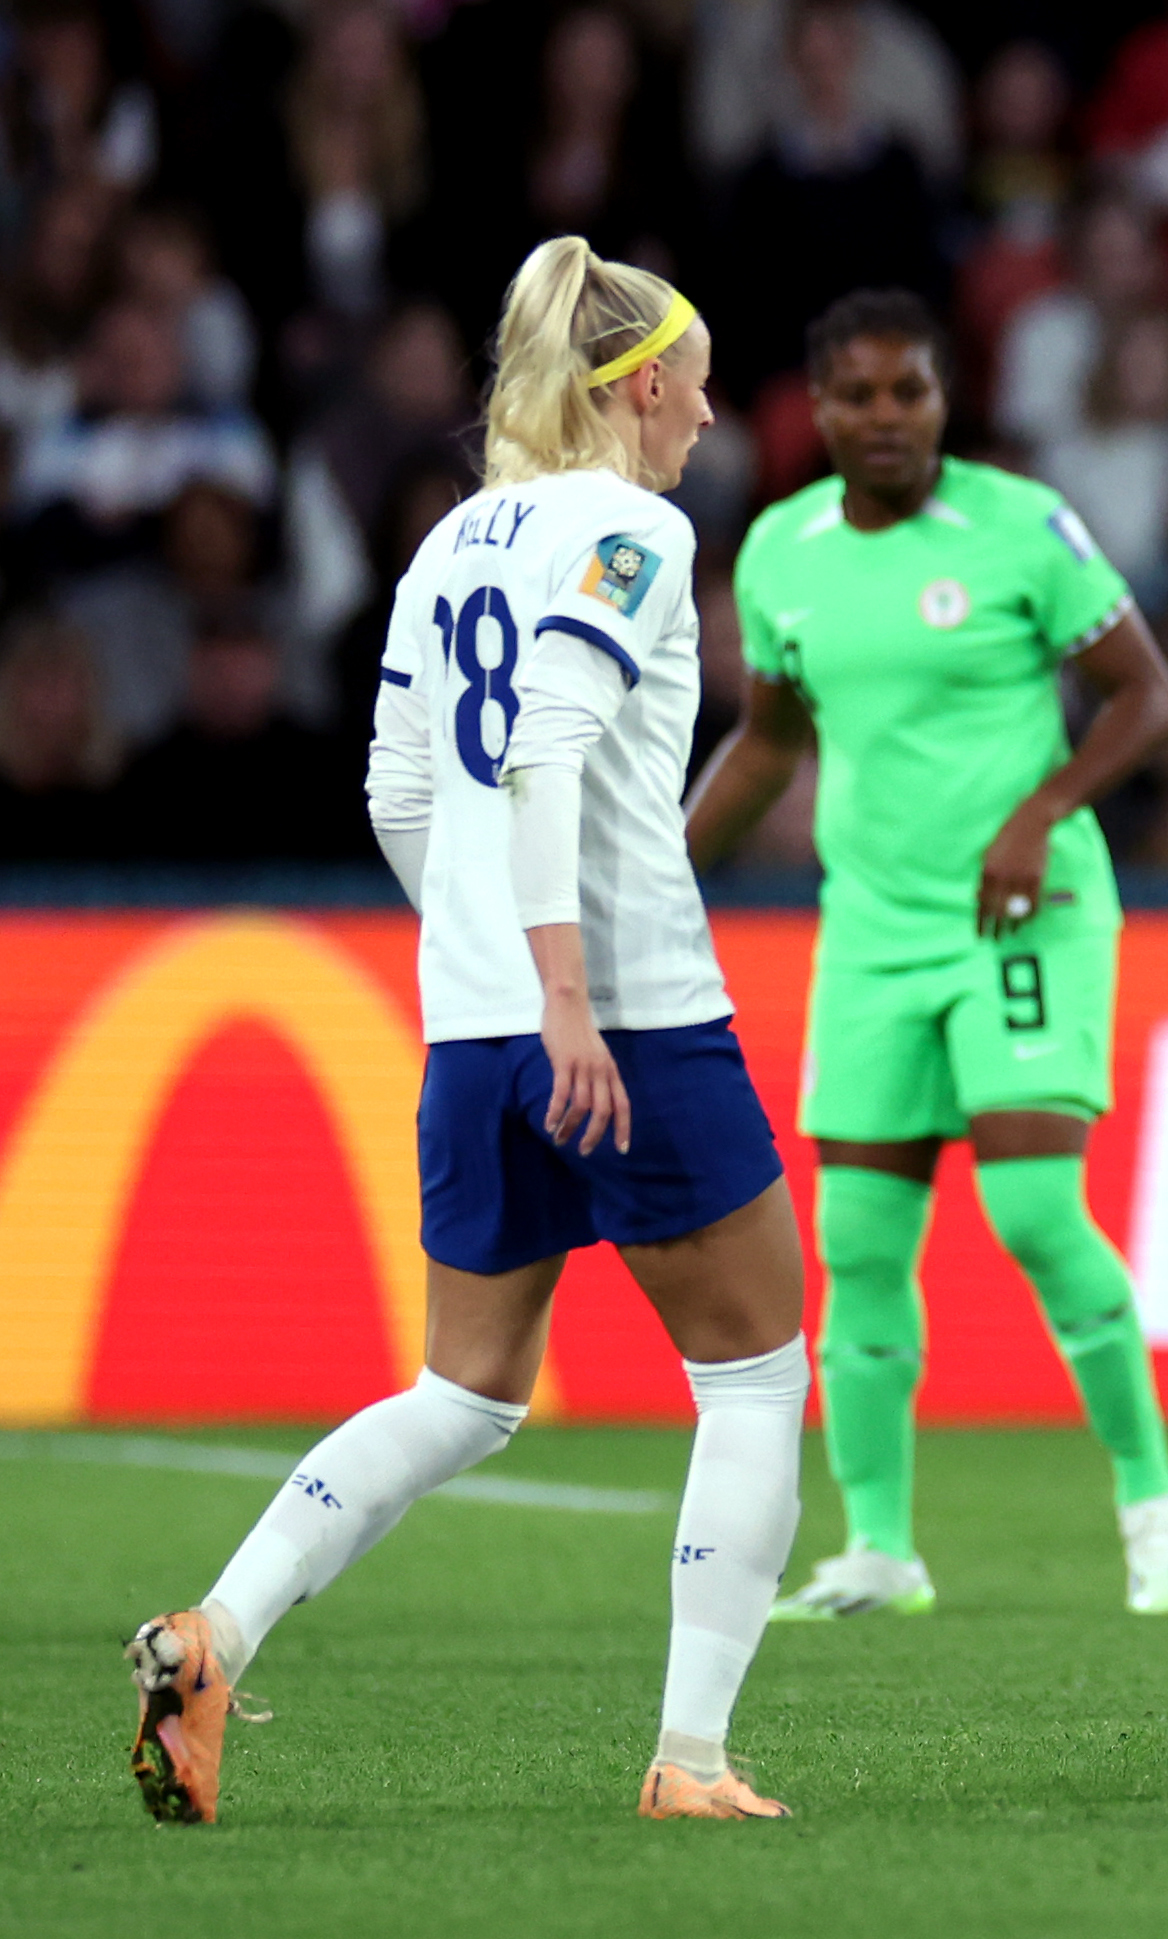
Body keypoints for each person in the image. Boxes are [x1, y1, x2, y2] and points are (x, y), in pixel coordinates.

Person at [125, 236, 809, 1824]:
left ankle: (217, 1633)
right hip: (624, 1017)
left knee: (468, 1390)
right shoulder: (635, 530)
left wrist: (491, 960)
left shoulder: (447, 543)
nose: (711, 418)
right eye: (701, 386)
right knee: (755, 1376)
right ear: (643, 385)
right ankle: (691, 1758)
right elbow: (551, 745)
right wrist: (564, 993)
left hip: (478, 1031)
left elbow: (397, 791)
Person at [687, 289, 1168, 1623]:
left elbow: (1149, 694)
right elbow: (770, 742)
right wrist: (663, 870)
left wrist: (1037, 814)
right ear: (818, 407)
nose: (884, 417)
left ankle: (1155, 1509)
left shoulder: (1021, 526)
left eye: (907, 391)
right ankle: (879, 1549)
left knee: (1033, 1212)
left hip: (1022, 915)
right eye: (857, 395)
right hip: (872, 930)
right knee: (858, 1239)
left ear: (943, 399)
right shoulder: (782, 550)